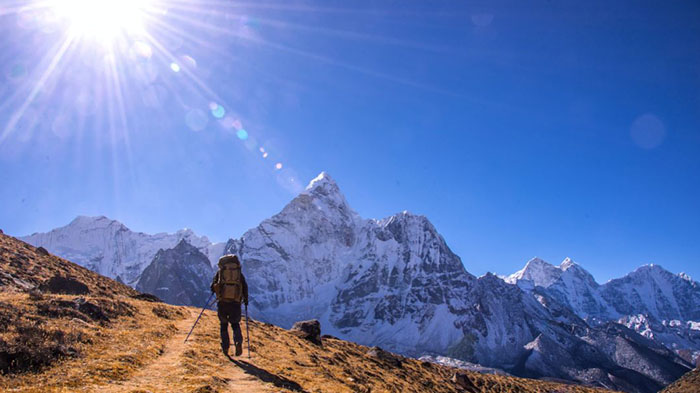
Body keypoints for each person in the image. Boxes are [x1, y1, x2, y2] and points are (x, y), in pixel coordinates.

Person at [211, 254, 249, 356]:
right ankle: (238, 341)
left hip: (223, 302)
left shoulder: (220, 273)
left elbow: (212, 287)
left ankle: (225, 347)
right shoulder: (239, 274)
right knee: (235, 324)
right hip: (235, 303)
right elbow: (244, 287)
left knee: (223, 325)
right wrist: (246, 300)